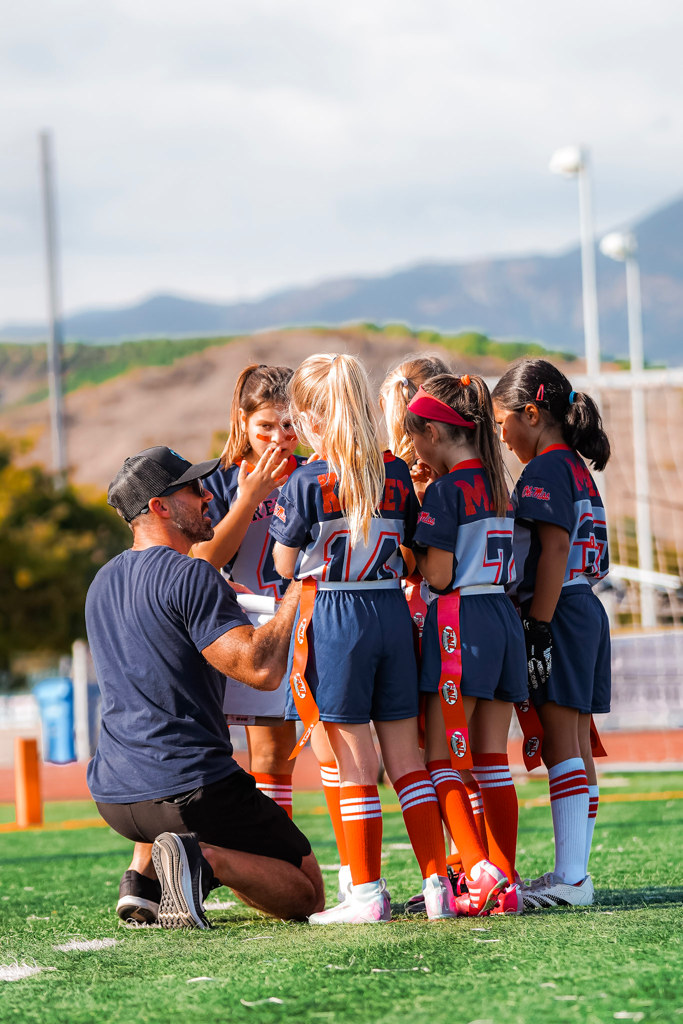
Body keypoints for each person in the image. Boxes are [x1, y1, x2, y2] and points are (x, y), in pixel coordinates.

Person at [88, 445, 324, 929]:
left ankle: (141, 882)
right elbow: (260, 669)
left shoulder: (102, 581)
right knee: (308, 892)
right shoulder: (190, 573)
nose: (209, 496)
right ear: (159, 506)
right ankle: (203, 861)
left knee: (157, 765)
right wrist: (299, 592)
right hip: (189, 790)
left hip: (114, 795)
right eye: (194, 489)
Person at [269, 353, 457, 924]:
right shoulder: (394, 472)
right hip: (390, 610)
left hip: (335, 614)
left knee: (355, 765)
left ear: (311, 417)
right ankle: (437, 887)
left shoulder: (307, 479)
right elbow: (410, 552)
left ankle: (367, 893)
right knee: (406, 761)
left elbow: (282, 565)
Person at [193, 362, 353, 902]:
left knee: (329, 748)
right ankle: (274, 867)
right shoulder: (220, 480)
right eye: (265, 426)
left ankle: (353, 874)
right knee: (266, 754)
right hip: (249, 627)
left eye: (288, 425)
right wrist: (250, 495)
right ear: (242, 423)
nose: (279, 437)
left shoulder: (316, 471)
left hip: (314, 618)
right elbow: (201, 560)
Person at [406, 373, 527, 915]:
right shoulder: (499, 482)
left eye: (415, 437)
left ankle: (479, 872)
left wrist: (409, 544)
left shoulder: (446, 491)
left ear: (433, 432)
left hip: (461, 618)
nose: (413, 449)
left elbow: (437, 575)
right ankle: (505, 875)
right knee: (492, 760)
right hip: (503, 615)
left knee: (440, 758)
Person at [492, 358, 610, 909]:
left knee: (564, 743)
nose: (502, 436)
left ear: (532, 414)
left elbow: (556, 548)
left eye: (503, 423)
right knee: (578, 743)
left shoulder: (544, 469)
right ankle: (574, 873)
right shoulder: (576, 466)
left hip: (559, 608)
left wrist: (537, 623)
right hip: (582, 605)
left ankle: (572, 878)